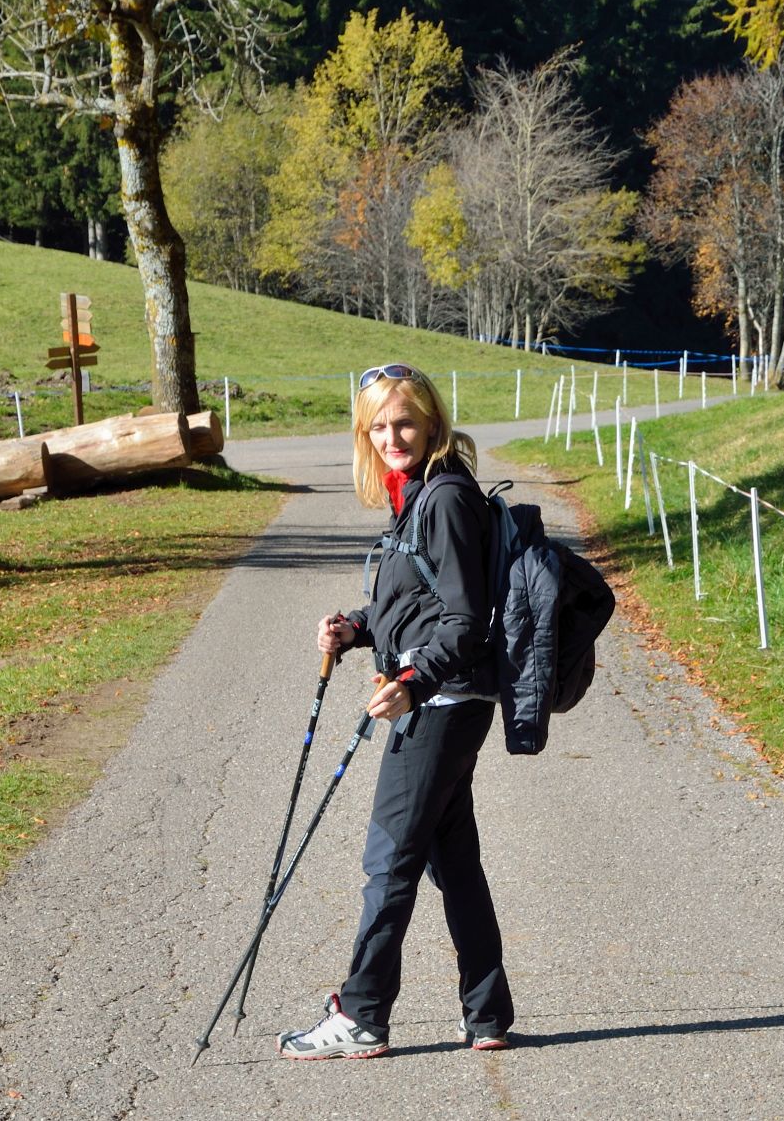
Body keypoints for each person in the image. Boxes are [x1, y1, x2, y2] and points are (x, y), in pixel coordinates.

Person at [279, 362, 513, 1060]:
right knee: (453, 861)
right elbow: (420, 602)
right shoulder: (419, 494)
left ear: (432, 421)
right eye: (377, 427)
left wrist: (412, 681)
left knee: (389, 859)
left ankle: (362, 1013)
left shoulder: (443, 497)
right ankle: (488, 1013)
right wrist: (357, 627)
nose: (391, 437)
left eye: (403, 422)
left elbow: (465, 619)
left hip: (440, 702)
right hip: (446, 698)